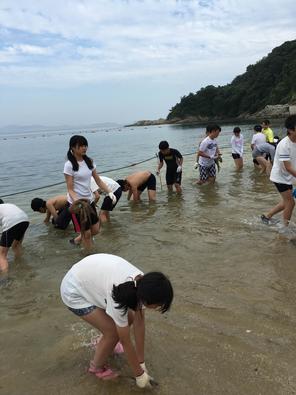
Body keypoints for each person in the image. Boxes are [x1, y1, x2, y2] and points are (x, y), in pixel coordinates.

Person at [60, 253, 173, 387]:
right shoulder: (119, 295)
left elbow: (139, 322)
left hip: (89, 279)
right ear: (148, 300)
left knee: (128, 319)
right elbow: (125, 341)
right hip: (73, 290)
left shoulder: (143, 285)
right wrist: (139, 375)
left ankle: (103, 344)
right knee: (113, 333)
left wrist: (141, 361)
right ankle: (96, 368)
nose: (158, 307)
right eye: (159, 305)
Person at [64, 135, 117, 248]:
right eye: (81, 146)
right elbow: (70, 189)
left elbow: (98, 180)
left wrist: (109, 192)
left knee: (96, 230)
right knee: (87, 234)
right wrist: (78, 202)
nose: (84, 148)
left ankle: (77, 241)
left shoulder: (89, 161)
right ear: (73, 147)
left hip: (89, 201)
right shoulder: (69, 165)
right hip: (78, 204)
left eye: (85, 145)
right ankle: (88, 255)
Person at [261, 115, 296, 226]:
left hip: (289, 177)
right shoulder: (284, 144)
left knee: (287, 201)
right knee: (290, 202)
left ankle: (267, 216)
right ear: (291, 130)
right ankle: (284, 229)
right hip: (280, 177)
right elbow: (287, 167)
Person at [0, 199, 29, 272]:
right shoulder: (8, 205)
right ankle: (21, 264)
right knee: (16, 246)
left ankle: (5, 277)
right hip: (25, 220)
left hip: (11, 221)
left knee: (2, 255)